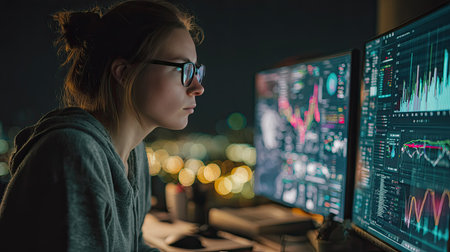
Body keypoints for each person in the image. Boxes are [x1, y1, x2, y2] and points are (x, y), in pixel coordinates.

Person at [0, 0, 205, 251]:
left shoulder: (134, 155)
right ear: (124, 72)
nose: (198, 87)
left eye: (196, 71)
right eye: (184, 69)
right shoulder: (74, 155)